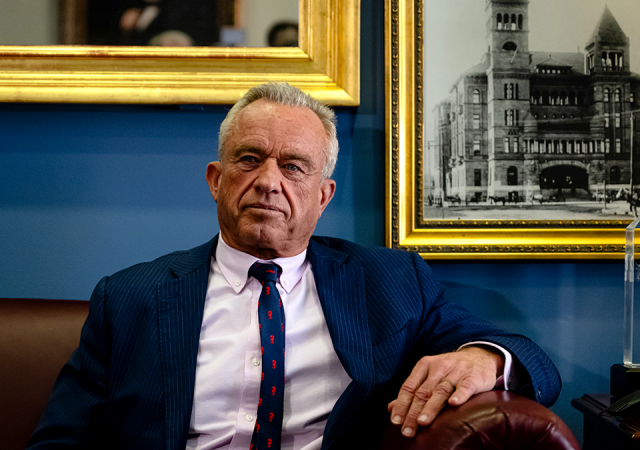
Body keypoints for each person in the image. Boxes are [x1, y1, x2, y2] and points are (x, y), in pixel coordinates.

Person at [27, 82, 560, 450]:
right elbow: (61, 438)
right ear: (216, 180)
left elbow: (532, 361)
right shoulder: (129, 297)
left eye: (293, 166)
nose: (268, 181)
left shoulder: (391, 283)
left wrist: (485, 360)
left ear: (323, 195)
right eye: (249, 159)